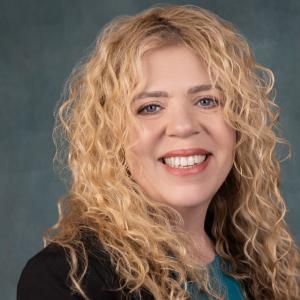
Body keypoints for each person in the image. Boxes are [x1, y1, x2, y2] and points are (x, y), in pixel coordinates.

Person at [17, 4, 300, 300]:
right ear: (112, 135)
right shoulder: (66, 280)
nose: (183, 126)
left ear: (240, 123)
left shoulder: (260, 263)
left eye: (207, 101)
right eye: (150, 107)